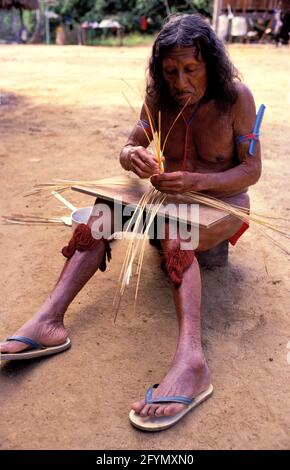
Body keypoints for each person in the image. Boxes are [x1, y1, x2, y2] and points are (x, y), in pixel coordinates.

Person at [0, 14, 262, 431]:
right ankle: (49, 320)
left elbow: (251, 171)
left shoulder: (236, 98)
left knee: (178, 235)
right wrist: (129, 154)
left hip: (220, 202)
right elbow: (131, 141)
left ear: (210, 63)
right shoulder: (159, 98)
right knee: (100, 214)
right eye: (170, 70)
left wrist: (198, 180)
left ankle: (192, 362)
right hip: (167, 200)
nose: (179, 82)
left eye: (190, 69)